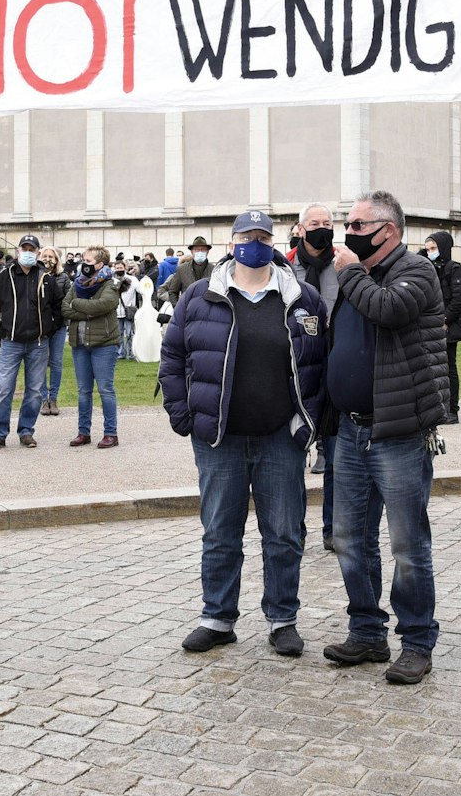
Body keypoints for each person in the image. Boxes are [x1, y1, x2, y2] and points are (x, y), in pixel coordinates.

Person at [158, 211, 326, 657]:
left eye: (263, 237)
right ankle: (217, 618)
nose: (255, 243)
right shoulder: (200, 295)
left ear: (274, 243)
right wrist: (183, 414)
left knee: (285, 534)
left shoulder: (302, 297)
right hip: (219, 438)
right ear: (231, 244)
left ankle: (282, 619)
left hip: (280, 437)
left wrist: (309, 420)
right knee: (219, 533)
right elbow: (172, 357)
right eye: (246, 237)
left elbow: (319, 363)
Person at [321, 190, 447, 686]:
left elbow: (388, 310)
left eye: (357, 225)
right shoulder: (355, 276)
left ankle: (416, 642)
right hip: (350, 430)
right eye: (347, 224)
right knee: (350, 538)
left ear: (388, 231)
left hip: (397, 432)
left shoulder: (416, 271)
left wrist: (350, 271)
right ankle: (367, 631)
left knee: (407, 544)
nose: (347, 233)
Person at [0, 235, 55, 449]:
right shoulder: (3, 276)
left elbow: (58, 306)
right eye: (24, 249)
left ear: (37, 252)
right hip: (11, 342)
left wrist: (49, 328)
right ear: (18, 251)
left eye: (32, 249)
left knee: (34, 391)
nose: (28, 253)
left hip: (38, 343)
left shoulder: (45, 277)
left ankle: (26, 431)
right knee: (4, 388)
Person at [63, 246, 130, 449]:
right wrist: (87, 311)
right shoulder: (77, 283)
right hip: (80, 343)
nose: (84, 264)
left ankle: (111, 433)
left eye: (88, 261)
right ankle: (83, 432)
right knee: (83, 391)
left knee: (105, 389)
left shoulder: (111, 283)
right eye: (84, 260)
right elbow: (65, 308)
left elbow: (104, 305)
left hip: (104, 344)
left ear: (100, 264)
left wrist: (76, 303)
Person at [422, 231, 461, 424]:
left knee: (449, 367)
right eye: (427, 249)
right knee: (432, 368)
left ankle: (452, 409)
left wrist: (445, 320)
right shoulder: (428, 267)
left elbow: (460, 299)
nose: (430, 252)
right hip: (430, 326)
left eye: (433, 248)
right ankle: (437, 407)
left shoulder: (454, 269)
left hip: (447, 326)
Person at [34, 248, 71, 416]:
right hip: (40, 326)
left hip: (59, 325)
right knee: (40, 362)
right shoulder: (36, 275)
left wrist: (59, 318)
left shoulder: (63, 278)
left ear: (56, 260)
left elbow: (68, 299)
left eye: (51, 257)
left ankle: (53, 398)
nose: (48, 259)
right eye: (45, 256)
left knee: (56, 362)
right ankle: (43, 398)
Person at [159, 237, 214, 309]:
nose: (200, 252)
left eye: (203, 250)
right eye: (196, 250)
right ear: (192, 252)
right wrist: (178, 308)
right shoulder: (182, 269)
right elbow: (173, 292)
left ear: (207, 252)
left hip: (207, 310)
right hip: (187, 310)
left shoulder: (214, 270)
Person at [116, 263, 141, 362]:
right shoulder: (112, 280)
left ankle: (131, 353)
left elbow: (140, 290)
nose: (119, 269)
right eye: (117, 268)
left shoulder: (133, 280)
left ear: (125, 268)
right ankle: (121, 353)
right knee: (119, 334)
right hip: (116, 311)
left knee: (130, 333)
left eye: (121, 267)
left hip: (128, 311)